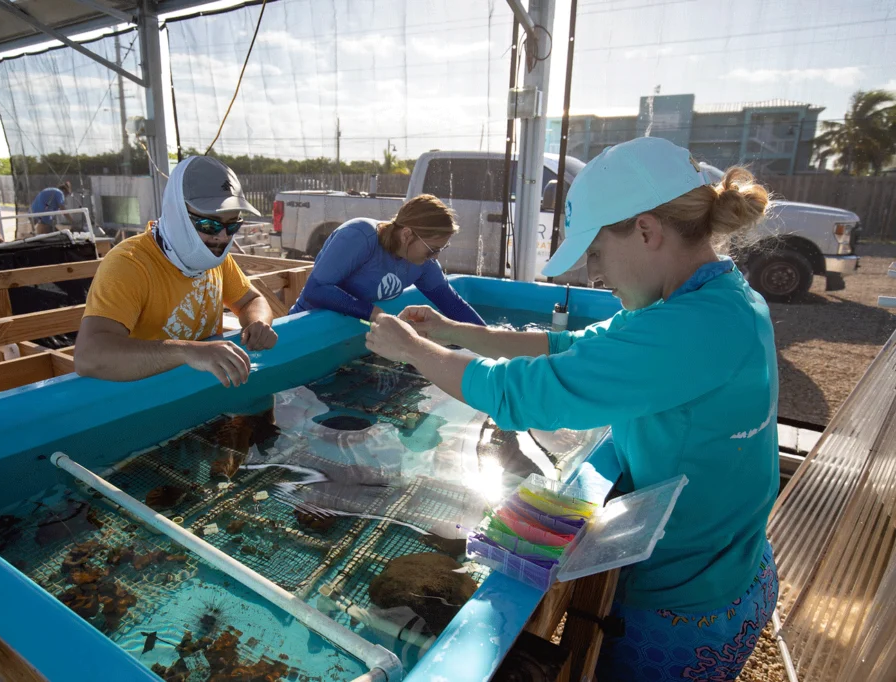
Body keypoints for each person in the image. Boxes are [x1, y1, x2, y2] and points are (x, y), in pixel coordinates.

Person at [365, 137, 779, 682]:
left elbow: (523, 394)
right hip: (722, 563)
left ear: (648, 231)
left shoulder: (691, 328)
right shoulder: (706, 300)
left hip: (686, 602)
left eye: (599, 252)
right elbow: (569, 346)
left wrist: (414, 351)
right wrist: (452, 331)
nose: (597, 272)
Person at [75, 156, 278, 385]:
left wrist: (257, 323)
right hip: (147, 395)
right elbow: (88, 356)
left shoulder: (216, 258)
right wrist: (187, 352)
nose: (222, 236)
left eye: (233, 225)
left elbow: (251, 300)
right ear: (176, 213)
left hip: (204, 386)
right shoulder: (129, 264)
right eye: (209, 225)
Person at [288, 194, 485, 325]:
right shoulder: (360, 235)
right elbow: (316, 290)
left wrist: (492, 339)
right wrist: (378, 315)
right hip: (305, 328)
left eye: (441, 249)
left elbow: (454, 305)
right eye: (432, 249)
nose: (435, 256)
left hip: (346, 333)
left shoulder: (422, 264)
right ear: (406, 235)